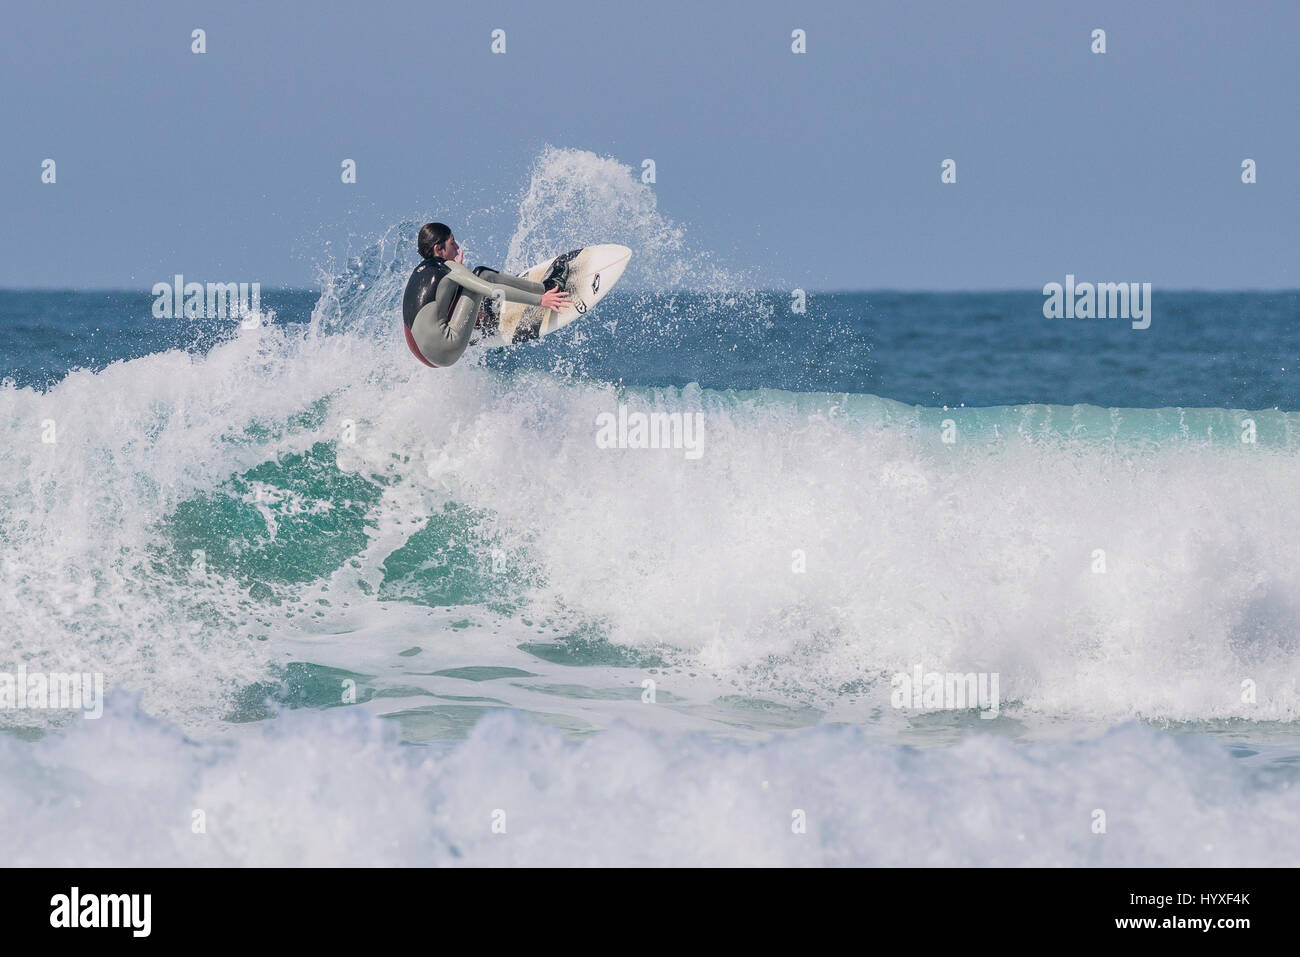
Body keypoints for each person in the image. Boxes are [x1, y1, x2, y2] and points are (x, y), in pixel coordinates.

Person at [401, 222, 571, 367]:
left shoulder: (420, 272)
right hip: (447, 348)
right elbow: (492, 290)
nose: (457, 247)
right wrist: (541, 300)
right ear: (438, 248)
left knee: (459, 290)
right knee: (481, 274)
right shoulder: (447, 268)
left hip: (425, 357)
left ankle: (481, 325)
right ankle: (545, 287)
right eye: (452, 243)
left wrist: (457, 280)